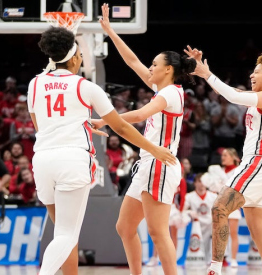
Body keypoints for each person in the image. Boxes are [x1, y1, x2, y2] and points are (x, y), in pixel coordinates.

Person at [30, 26, 175, 275]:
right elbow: (120, 126)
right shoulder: (86, 86)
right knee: (67, 234)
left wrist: (78, 127)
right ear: (75, 57)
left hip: (42, 160)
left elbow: (40, 125)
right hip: (71, 160)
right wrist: (154, 148)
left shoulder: (35, 83)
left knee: (63, 233)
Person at [92, 4, 196, 274]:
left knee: (157, 231)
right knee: (125, 227)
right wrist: (111, 32)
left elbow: (140, 114)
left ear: (169, 70)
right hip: (147, 163)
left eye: (155, 65)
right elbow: (133, 61)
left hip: (160, 162)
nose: (150, 67)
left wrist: (106, 118)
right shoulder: (162, 87)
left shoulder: (172, 93)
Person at [185, 46, 262, 275]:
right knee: (259, 231)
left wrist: (206, 75)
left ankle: (214, 270)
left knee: (220, 207)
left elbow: (232, 96)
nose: (251, 76)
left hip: (259, 163)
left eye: (256, 72)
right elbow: (232, 91)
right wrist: (208, 71)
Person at [201, 148, 242, 267]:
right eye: (222, 155)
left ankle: (233, 259)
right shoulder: (217, 170)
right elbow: (211, 185)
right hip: (219, 203)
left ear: (233, 157)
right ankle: (217, 259)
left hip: (232, 203)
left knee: (233, 233)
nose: (223, 158)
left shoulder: (238, 171)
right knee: (218, 232)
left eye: (226, 155)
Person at [184, 173, 218, 264]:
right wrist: (189, 212)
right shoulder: (189, 196)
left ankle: (218, 260)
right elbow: (183, 210)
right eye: (199, 181)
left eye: (203, 181)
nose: (202, 183)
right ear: (195, 183)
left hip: (210, 225)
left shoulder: (213, 196)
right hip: (195, 225)